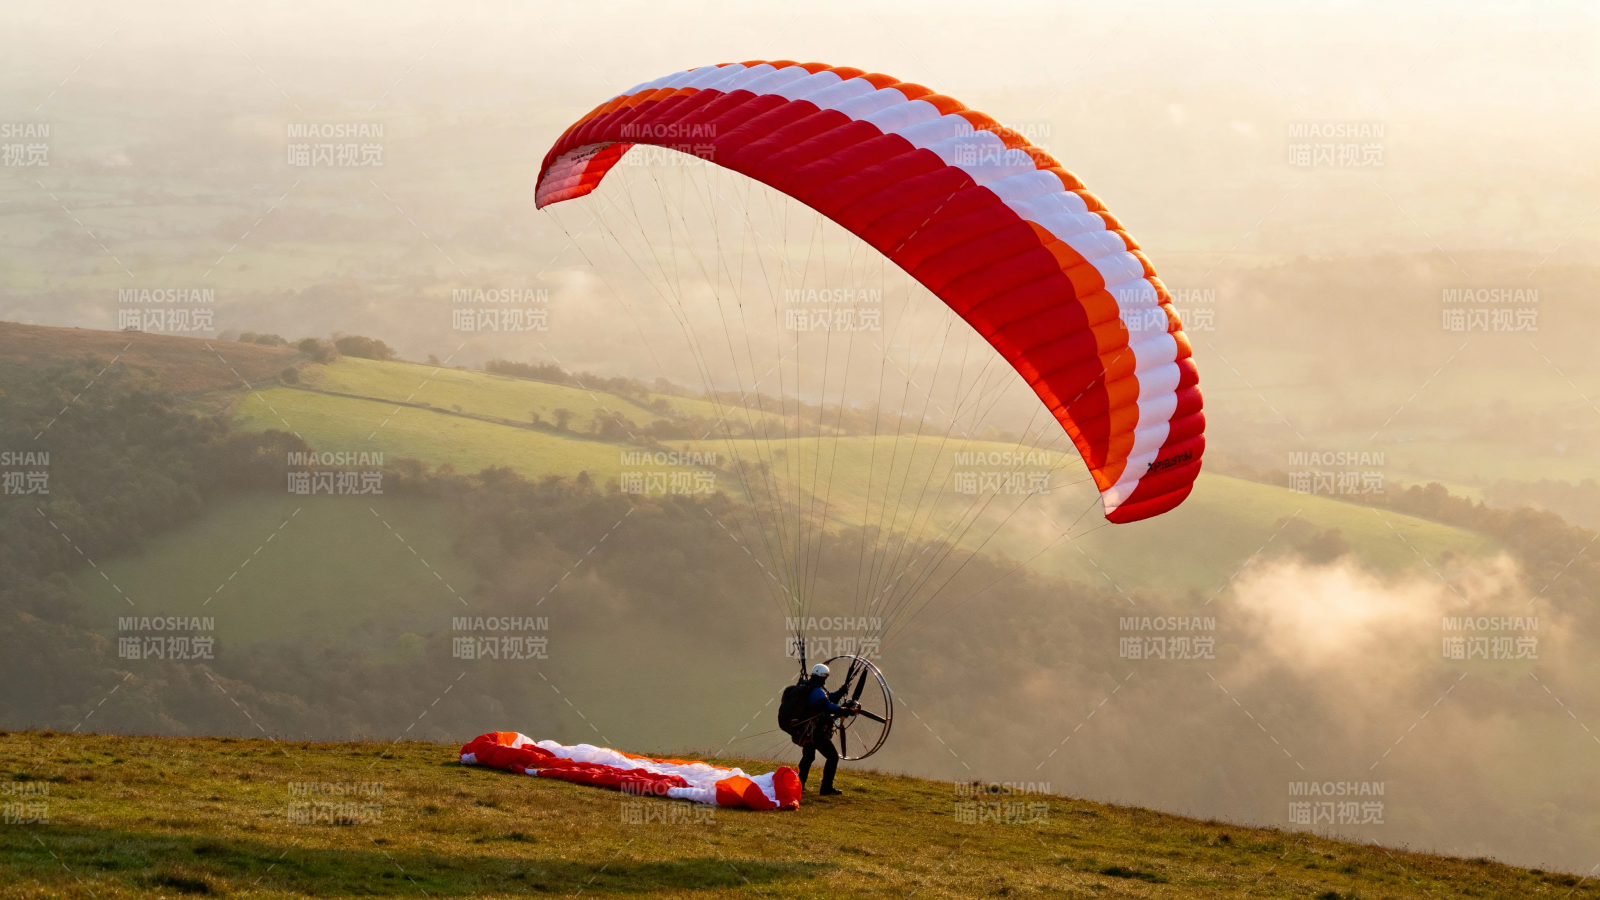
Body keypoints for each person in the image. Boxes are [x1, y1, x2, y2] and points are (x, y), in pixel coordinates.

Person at [797, 662, 856, 796]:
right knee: (833, 757)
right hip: (816, 732)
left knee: (808, 756)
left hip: (807, 731)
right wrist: (845, 710)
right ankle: (826, 788)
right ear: (823, 676)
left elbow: (829, 698)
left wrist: (841, 691)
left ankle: (799, 785)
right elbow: (827, 706)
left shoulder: (810, 688)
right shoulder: (817, 691)